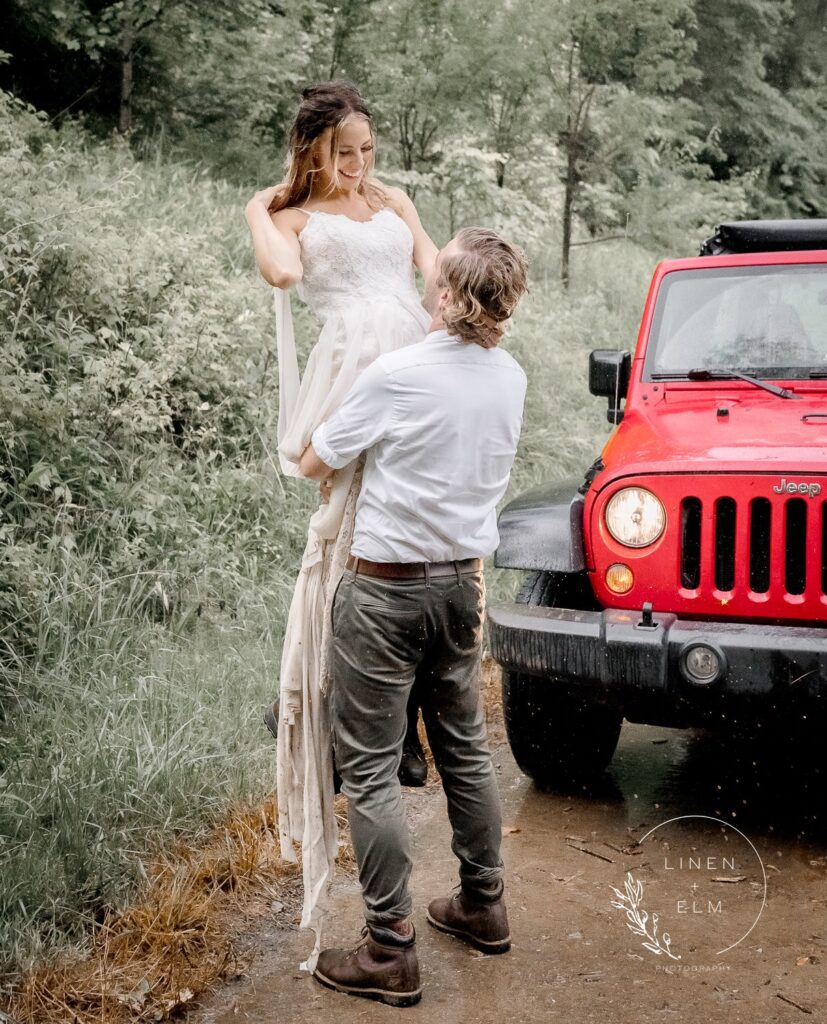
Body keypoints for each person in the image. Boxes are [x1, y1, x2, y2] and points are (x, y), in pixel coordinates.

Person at [298, 227, 529, 1006]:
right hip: (461, 588)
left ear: (441, 294)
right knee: (463, 748)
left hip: (386, 592)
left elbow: (314, 458)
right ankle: (482, 904)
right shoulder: (512, 379)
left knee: (368, 767)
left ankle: (390, 949)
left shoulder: (396, 374)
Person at [244, 81, 433, 966]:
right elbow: (283, 275)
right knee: (356, 520)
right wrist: (257, 202)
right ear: (314, 149)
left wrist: (407, 214)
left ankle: (402, 713)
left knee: (416, 526)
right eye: (345, 152)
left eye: (367, 149)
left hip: (417, 359)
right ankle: (360, 713)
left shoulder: (389, 199)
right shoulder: (288, 217)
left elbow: (432, 276)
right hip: (356, 364)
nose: (360, 166)